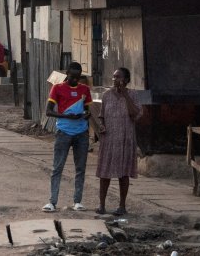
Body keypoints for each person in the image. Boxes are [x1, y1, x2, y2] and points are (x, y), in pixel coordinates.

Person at [43, 62, 93, 212]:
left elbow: (87, 109)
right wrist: (65, 115)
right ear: (67, 74)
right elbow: (48, 111)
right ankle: (52, 201)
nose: (75, 80)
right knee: (57, 167)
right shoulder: (57, 88)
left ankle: (77, 201)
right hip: (64, 131)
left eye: (78, 78)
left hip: (81, 132)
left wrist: (86, 114)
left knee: (80, 168)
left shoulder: (85, 89)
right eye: (72, 77)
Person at [95, 67, 142, 215]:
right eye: (114, 77)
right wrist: (101, 126)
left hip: (125, 140)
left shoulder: (133, 95)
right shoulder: (107, 95)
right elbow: (101, 116)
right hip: (108, 140)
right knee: (104, 173)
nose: (115, 80)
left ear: (126, 80)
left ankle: (122, 206)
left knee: (124, 173)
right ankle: (101, 205)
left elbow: (135, 114)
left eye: (118, 77)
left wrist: (125, 96)